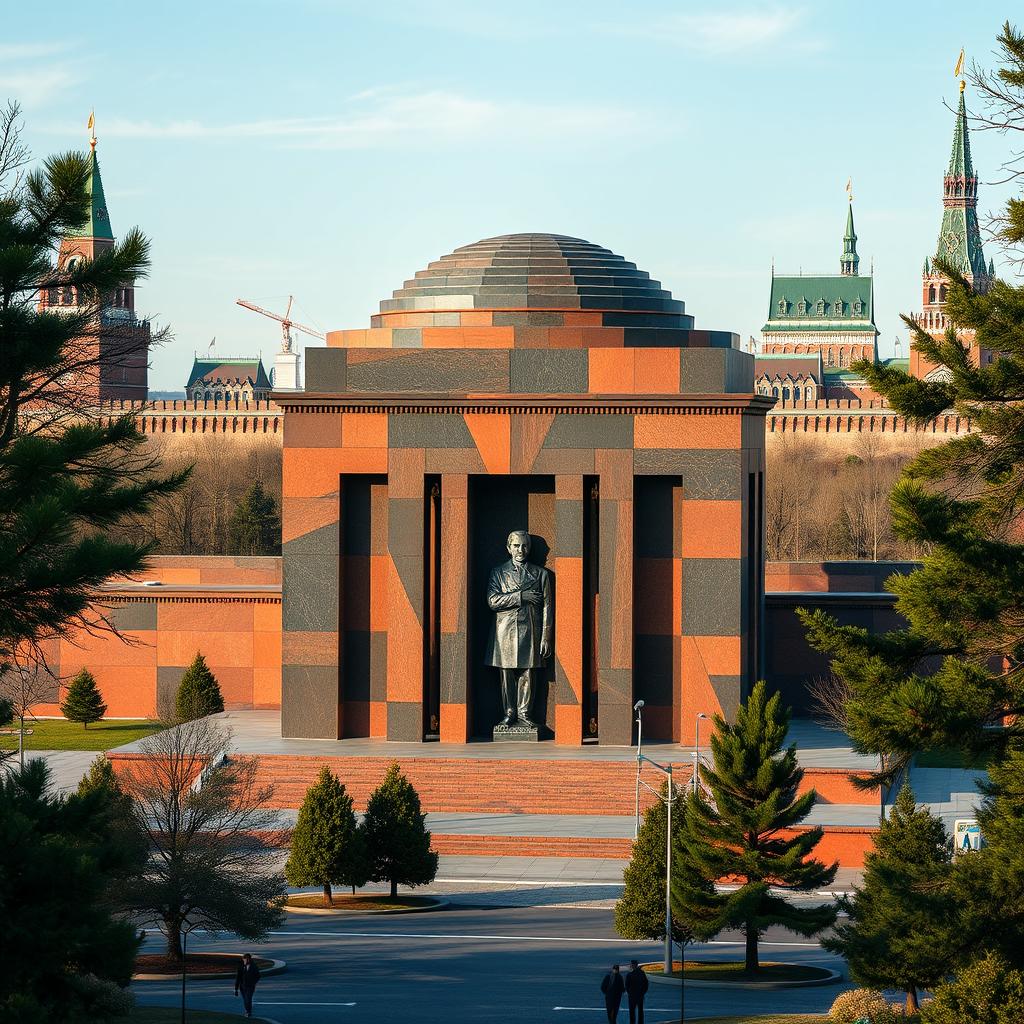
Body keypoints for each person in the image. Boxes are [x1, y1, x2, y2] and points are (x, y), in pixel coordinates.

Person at [485, 529, 553, 729]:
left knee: (528, 673)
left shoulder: (541, 574)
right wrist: (520, 596)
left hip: (531, 629)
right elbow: (492, 601)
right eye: (516, 545)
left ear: (529, 548)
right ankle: (509, 714)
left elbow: (548, 606)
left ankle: (524, 714)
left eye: (524, 545)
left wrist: (546, 637)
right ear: (508, 548)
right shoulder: (498, 572)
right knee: (506, 673)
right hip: (504, 632)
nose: (520, 550)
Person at [234, 952, 261, 1019]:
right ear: (243, 959)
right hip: (242, 987)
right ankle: (248, 1010)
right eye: (245, 959)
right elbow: (238, 977)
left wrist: (253, 983)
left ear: (250, 959)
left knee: (248, 999)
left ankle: (248, 1012)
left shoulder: (254, 966)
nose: (246, 961)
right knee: (245, 1000)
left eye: (248, 959)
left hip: (250, 986)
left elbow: (258, 976)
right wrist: (236, 989)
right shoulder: (241, 966)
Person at [625, 959, 649, 1024]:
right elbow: (646, 984)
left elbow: (626, 986)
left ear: (632, 965)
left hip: (632, 996)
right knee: (640, 1011)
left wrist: (629, 993)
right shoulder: (642, 973)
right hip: (640, 995)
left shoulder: (629, 975)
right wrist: (643, 992)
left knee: (632, 1011)